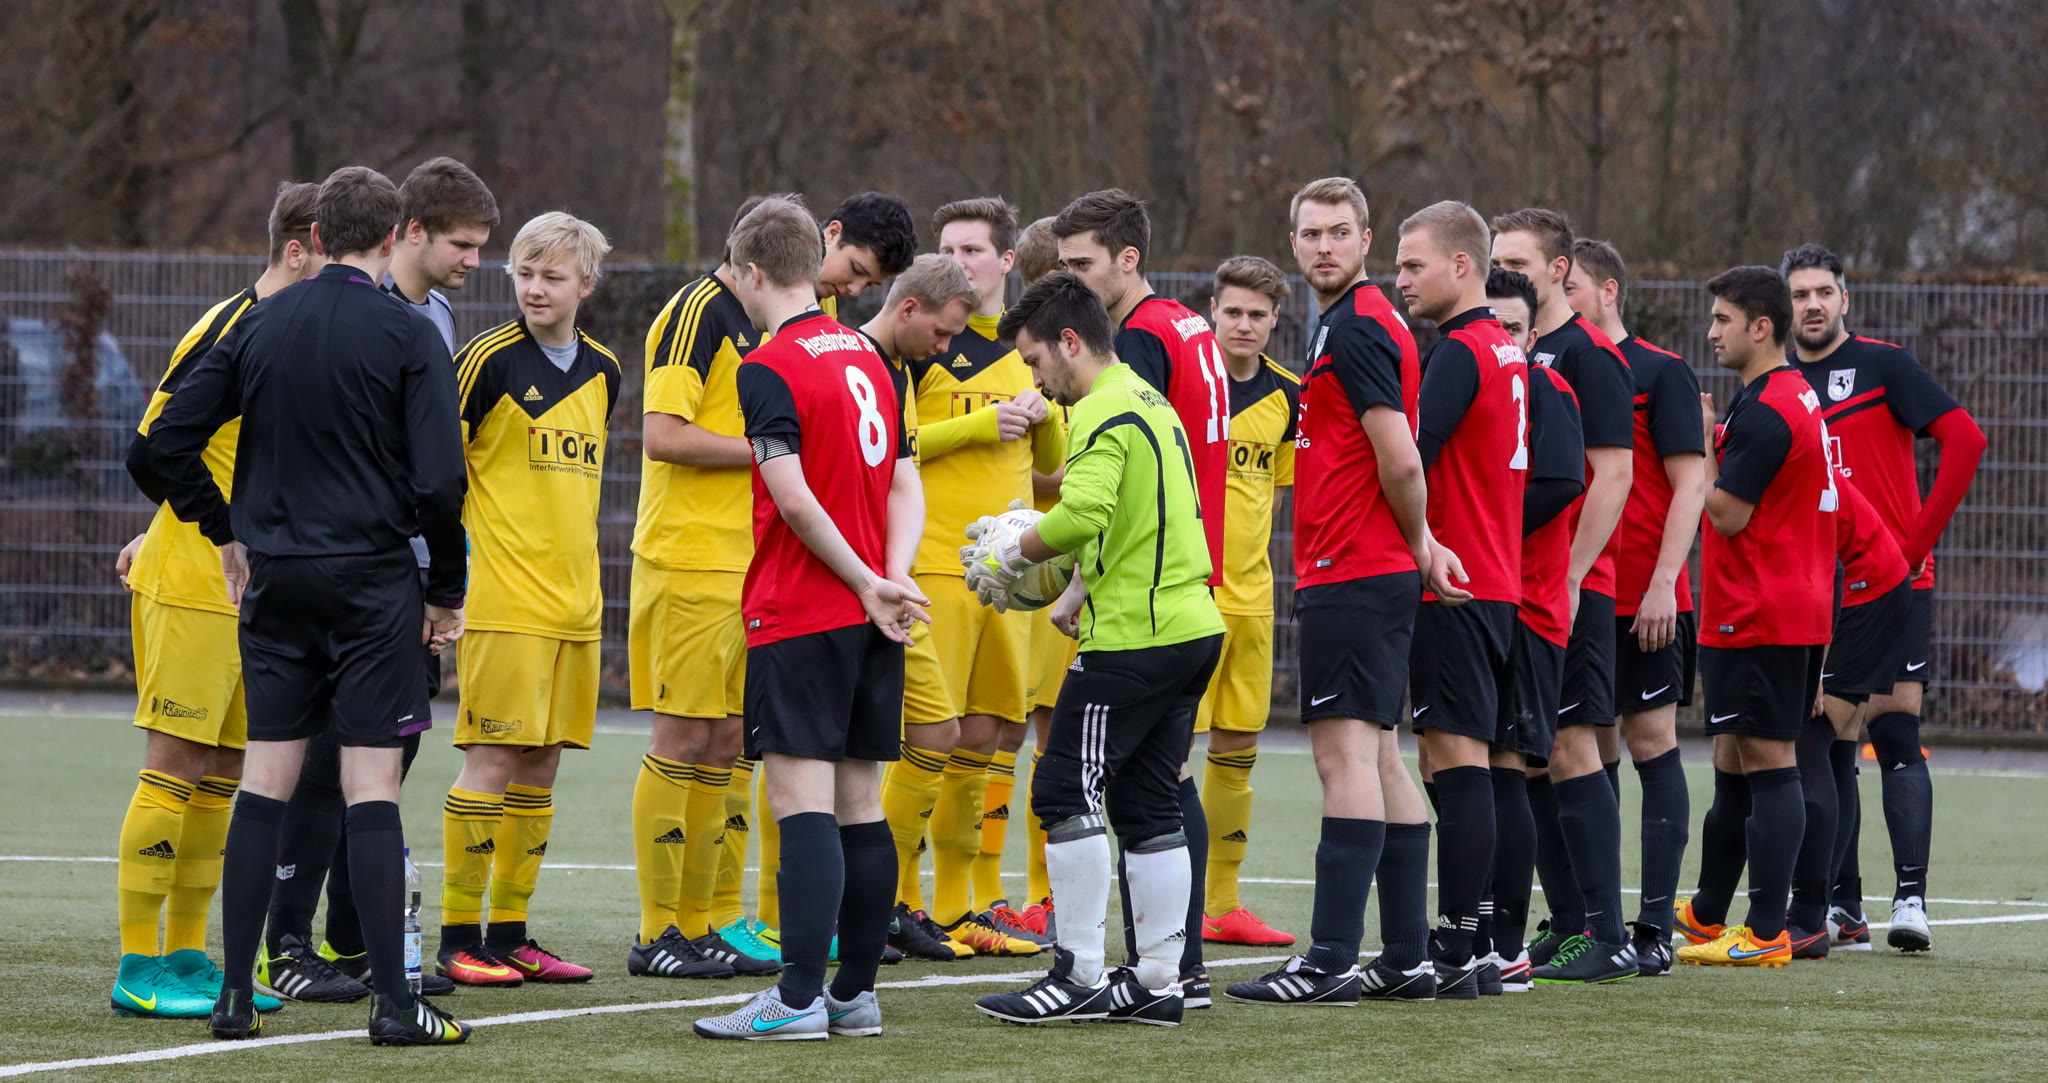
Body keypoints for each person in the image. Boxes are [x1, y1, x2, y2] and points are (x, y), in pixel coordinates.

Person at [146, 165, 472, 1044]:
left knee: (265, 778)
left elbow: (160, 444)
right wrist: (445, 590)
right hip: (371, 582)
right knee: (371, 783)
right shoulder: (410, 335)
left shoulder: (260, 322)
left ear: (317, 237)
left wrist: (227, 528)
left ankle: (235, 997)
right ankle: (395, 1006)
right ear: (394, 235)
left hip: (279, 578)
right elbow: (441, 483)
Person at [632, 193, 917, 981]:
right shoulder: (701, 313)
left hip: (786, 568)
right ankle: (661, 929)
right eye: (854, 270)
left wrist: (789, 448)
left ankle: (717, 919)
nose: (853, 288)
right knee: (686, 736)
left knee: (738, 744)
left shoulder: (817, 338)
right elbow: (661, 435)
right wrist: (777, 446)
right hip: (698, 556)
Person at [259, 157, 497, 1002]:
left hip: (407, 573)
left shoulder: (435, 316)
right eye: (462, 244)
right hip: (344, 573)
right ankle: (286, 941)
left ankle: (357, 936)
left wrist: (439, 579)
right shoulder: (355, 308)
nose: (475, 262)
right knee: (328, 761)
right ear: (409, 232)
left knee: (389, 756)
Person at [968, 272, 1224, 1028]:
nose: (1035, 379)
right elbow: (1144, 516)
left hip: (1135, 640)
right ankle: (1159, 982)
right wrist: (1076, 588)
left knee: (1060, 790)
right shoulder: (1149, 398)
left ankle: (1077, 973)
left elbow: (1082, 513)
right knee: (1148, 803)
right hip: (1190, 626)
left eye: (1034, 359)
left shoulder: (1101, 409)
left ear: (1070, 342)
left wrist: (1013, 550)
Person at [1226, 178, 1448, 1005]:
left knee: (1343, 758)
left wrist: (1418, 541)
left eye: (1339, 232)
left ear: (1365, 241)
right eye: (1312, 233)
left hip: (1354, 570)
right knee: (1382, 756)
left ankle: (1328, 960)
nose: (1324, 245)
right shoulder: (1356, 321)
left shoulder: (1355, 328)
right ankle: (1407, 957)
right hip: (1365, 570)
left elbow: (1401, 459)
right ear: (1294, 243)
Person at [110, 181, 322, 1020]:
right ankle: (137, 962)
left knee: (224, 776)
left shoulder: (288, 334)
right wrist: (216, 527)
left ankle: (189, 954)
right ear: (299, 250)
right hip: (195, 583)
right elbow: (151, 449)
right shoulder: (231, 325)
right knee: (175, 765)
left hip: (249, 592)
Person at [429, 212, 618, 988]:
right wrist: (444, 582)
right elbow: (436, 475)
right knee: (492, 758)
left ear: (586, 284)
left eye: (552, 276)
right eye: (524, 273)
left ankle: (509, 932)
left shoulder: (606, 370)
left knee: (541, 766)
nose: (535, 289)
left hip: (577, 606)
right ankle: (456, 936)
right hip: (504, 600)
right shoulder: (483, 361)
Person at [1781, 243, 1984, 952]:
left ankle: (1910, 900)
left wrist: (1915, 544)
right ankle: (1843, 907)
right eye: (1800, 293)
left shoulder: (1884, 365)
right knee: (1825, 739)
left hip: (1892, 582)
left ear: (1845, 299)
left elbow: (1965, 440)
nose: (1812, 304)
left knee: (1893, 730)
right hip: (1815, 587)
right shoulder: (1778, 382)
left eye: (1823, 291)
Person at [1053, 188, 1228, 1000]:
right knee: (1163, 779)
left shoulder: (1140, 341)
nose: (1070, 283)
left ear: (1129, 259)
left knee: (1114, 785)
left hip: (1149, 588)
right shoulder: (1188, 324)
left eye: (1082, 264)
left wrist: (1068, 577)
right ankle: (1171, 969)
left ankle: (1128, 967)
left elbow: (1117, 480)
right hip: (1188, 578)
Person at [879, 200, 1059, 959]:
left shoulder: (1031, 348)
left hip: (1007, 575)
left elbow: (1053, 474)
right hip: (933, 567)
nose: (959, 261)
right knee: (927, 735)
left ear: (1007, 261)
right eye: (947, 248)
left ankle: (959, 905)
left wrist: (1045, 416)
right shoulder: (919, 346)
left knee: (988, 734)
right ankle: (895, 900)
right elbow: (890, 444)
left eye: (974, 250)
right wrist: (979, 424)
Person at [1674, 266, 1836, 968]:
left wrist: (1704, 446)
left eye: (1722, 320)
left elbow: (1728, 515)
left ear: (1759, 327)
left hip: (1761, 609)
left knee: (1770, 761)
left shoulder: (1769, 408)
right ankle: (1710, 911)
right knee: (1735, 757)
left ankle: (1767, 929)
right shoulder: (1785, 394)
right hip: (1779, 603)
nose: (1712, 332)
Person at [1489, 209, 1636, 982]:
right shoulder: (1517, 347)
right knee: (1534, 756)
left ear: (1558, 269)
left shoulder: (1589, 354)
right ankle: (1572, 920)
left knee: (1574, 744)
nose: (1503, 271)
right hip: (1516, 579)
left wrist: (1575, 575)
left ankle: (1610, 934)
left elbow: (1613, 474)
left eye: (1518, 260)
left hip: (1570, 585)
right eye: (1497, 258)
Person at [1395, 202, 1527, 998]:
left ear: (1462, 265)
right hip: (1495, 580)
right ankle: (1474, 940)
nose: (1402, 280)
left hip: (1454, 578)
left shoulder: (1459, 351)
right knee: (1466, 759)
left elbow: (1410, 459)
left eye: (1415, 265)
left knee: (1456, 759)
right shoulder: (1506, 348)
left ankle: (1456, 945)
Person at [1564, 238, 1704, 975]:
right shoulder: (1559, 367)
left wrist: (1662, 584)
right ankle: (1601, 923)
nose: (1564, 299)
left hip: (1647, 596)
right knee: (1591, 747)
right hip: (1582, 593)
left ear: (1608, 290)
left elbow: (1690, 485)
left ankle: (1654, 928)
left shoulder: (1659, 370)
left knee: (1651, 741)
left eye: (1574, 286)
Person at [1482, 268, 1585, 992]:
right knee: (1461, 768)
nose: (1500, 338)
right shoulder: (1466, 380)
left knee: (1507, 766)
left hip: (1529, 605)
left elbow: (1561, 482)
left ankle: (1507, 943)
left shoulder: (1547, 390)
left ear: (1533, 334)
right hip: (1473, 600)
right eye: (1489, 324)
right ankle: (1476, 928)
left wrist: (1482, 533)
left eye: (1512, 327)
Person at [1195, 256, 1298, 950]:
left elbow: (1278, 496)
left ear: (1274, 319)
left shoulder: (1291, 396)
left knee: (1238, 745)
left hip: (1253, 600)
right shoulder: (1185, 381)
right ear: (1213, 310)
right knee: (1173, 749)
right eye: (1233, 311)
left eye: (1257, 314)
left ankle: (1223, 903)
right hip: (1186, 597)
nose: (1243, 324)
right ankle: (1176, 900)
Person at [1011, 215, 1069, 941]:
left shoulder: (1101, 354)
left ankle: (1047, 894)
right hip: (1030, 564)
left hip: (1078, 561)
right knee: (1020, 734)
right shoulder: (1021, 361)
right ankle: (1030, 893)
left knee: (1062, 733)